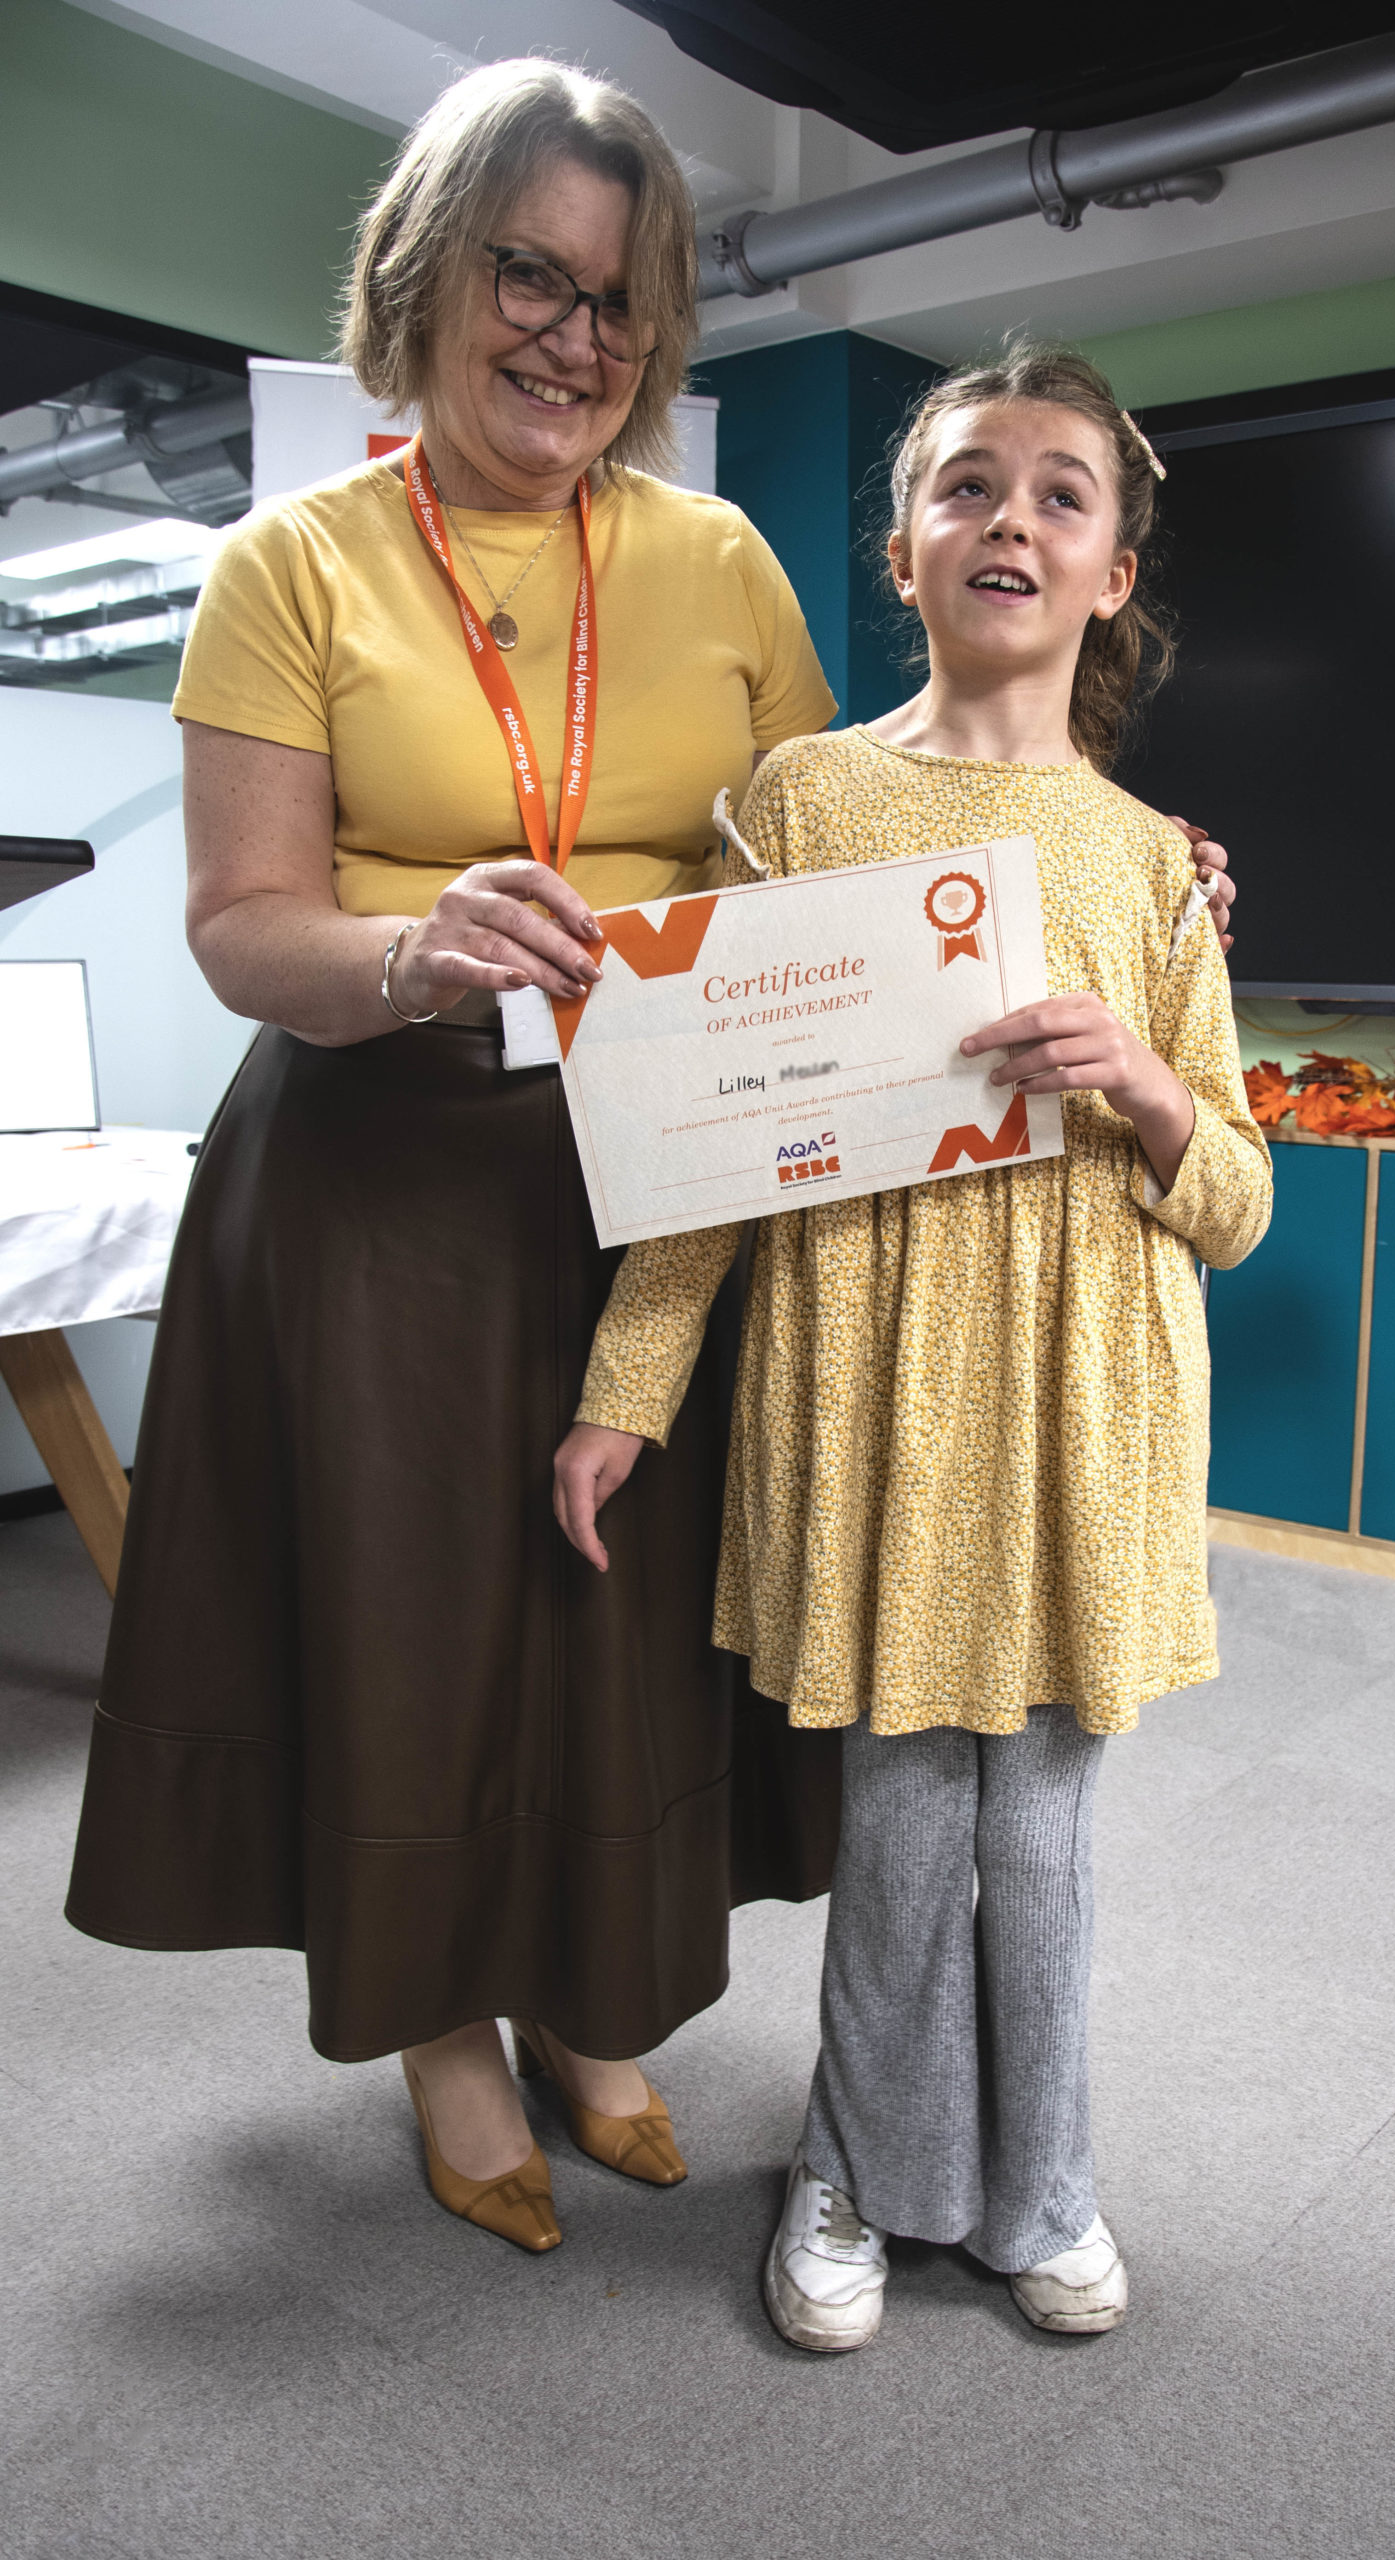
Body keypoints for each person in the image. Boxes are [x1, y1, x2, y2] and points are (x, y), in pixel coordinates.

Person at [64, 58, 849, 2254]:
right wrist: (413, 945)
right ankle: (437, 2032)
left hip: (654, 1170)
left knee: (621, 1615)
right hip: (377, 1179)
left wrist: (1110, 875)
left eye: (621, 303)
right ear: (424, 274)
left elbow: (836, 846)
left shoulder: (719, 562)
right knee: (416, 1623)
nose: (574, 341)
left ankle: (598, 2008)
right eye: (531, 274)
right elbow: (241, 926)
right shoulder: (287, 566)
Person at [560, 343, 1272, 2343]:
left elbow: (1230, 1198)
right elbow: (710, 1128)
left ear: (1112, 567)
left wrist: (1140, 1078)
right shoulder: (801, 799)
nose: (1011, 520)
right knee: (896, 1816)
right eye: (969, 484)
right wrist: (630, 1387)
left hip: (1084, 1398)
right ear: (901, 545)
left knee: (1039, 1821)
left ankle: (1041, 2185)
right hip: (866, 1383)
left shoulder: (1152, 861)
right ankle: (859, 2173)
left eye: (1059, 492)